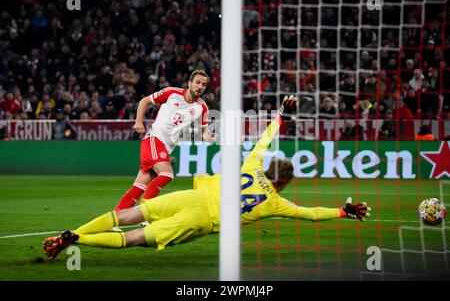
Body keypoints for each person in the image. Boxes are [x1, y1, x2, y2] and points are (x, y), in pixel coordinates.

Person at [43, 95, 371, 259]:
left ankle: (74, 232)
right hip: (202, 220)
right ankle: (79, 242)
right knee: (133, 239)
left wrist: (282, 117)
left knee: (129, 215)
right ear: (283, 182)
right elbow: (310, 215)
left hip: (192, 196)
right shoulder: (276, 202)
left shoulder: (253, 165)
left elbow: (265, 139)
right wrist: (343, 211)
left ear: (270, 168)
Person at [113, 69, 216, 211]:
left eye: (204, 85)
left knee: (138, 187)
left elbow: (204, 132)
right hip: (154, 139)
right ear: (189, 83)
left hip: (166, 148)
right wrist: (138, 122)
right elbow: (145, 101)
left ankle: (116, 217)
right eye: (197, 82)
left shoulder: (202, 108)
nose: (200, 87)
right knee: (167, 174)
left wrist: (209, 137)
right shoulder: (172, 93)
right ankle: (145, 212)